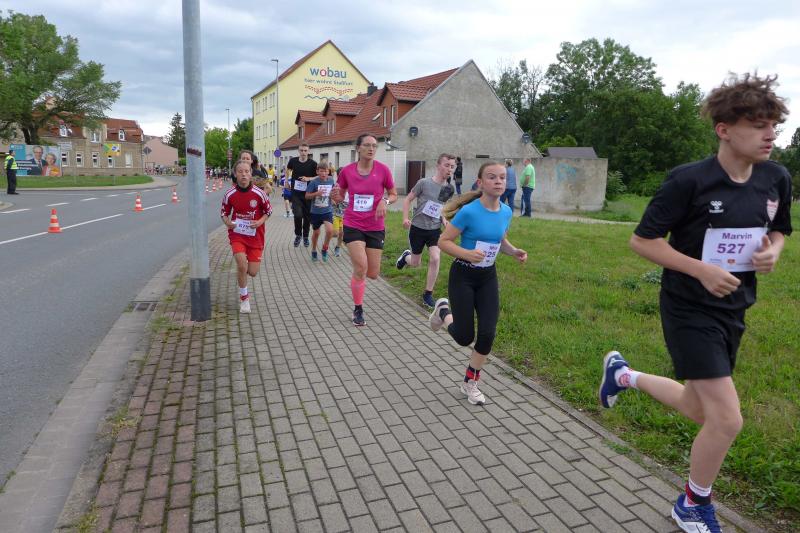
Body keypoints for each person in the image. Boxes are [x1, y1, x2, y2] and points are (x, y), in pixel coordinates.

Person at [598, 73, 792, 533]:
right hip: (687, 307)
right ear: (724, 129)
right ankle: (692, 503)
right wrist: (701, 269)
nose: (770, 135)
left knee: (697, 408)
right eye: (758, 126)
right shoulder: (689, 180)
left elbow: (780, 229)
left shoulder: (775, 178)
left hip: (735, 307)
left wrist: (774, 250)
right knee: (726, 420)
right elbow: (643, 241)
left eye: (774, 126)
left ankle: (623, 376)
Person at [429, 161, 527, 406]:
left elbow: (499, 239)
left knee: (487, 334)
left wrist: (513, 251)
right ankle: (443, 311)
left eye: (502, 177)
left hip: (487, 277)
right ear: (481, 183)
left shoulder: (506, 211)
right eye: (492, 177)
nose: (498, 181)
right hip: (463, 275)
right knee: (464, 337)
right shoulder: (469, 212)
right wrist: (466, 253)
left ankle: (470, 382)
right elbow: (443, 241)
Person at [330, 133, 398, 326]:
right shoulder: (347, 171)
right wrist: (335, 196)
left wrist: (385, 201)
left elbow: (393, 194)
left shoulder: (383, 170)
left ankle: (360, 282)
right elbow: (340, 195)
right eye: (367, 145)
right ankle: (358, 309)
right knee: (361, 267)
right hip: (353, 223)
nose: (371, 149)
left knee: (373, 273)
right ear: (358, 148)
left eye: (374, 146)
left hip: (375, 225)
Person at [396, 153, 456, 307]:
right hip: (417, 228)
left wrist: (445, 221)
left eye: (452, 166)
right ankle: (406, 257)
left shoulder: (449, 188)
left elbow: (441, 208)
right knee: (415, 263)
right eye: (446, 165)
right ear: (438, 165)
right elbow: (407, 199)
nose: (449, 169)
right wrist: (405, 218)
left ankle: (428, 294)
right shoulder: (424, 183)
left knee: (435, 258)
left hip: (434, 229)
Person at [220, 159, 273, 313]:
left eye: (246, 171)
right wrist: (227, 222)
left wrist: (259, 221)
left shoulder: (259, 193)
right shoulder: (230, 194)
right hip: (237, 234)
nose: (243, 174)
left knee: (252, 272)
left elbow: (268, 211)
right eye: (240, 172)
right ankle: (244, 299)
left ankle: (242, 272)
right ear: (235, 174)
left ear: (251, 174)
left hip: (255, 236)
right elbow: (224, 213)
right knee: (242, 265)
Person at [287, 143, 318, 248]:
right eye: (301, 150)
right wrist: (286, 181)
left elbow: (318, 176)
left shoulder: (313, 164)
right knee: (298, 215)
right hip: (296, 193)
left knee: (307, 217)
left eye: (305, 150)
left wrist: (309, 178)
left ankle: (305, 236)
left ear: (308, 151)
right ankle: (298, 235)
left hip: (308, 194)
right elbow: (288, 169)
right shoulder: (293, 161)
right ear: (298, 151)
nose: (303, 152)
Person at [305, 159, 335, 262]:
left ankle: (325, 248)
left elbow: (332, 192)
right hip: (315, 212)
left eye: (325, 171)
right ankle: (314, 250)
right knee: (316, 233)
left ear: (328, 171)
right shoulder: (314, 182)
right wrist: (316, 194)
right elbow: (307, 196)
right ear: (317, 172)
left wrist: (333, 198)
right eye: (321, 171)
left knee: (330, 231)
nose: (323, 173)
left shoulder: (331, 180)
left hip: (327, 211)